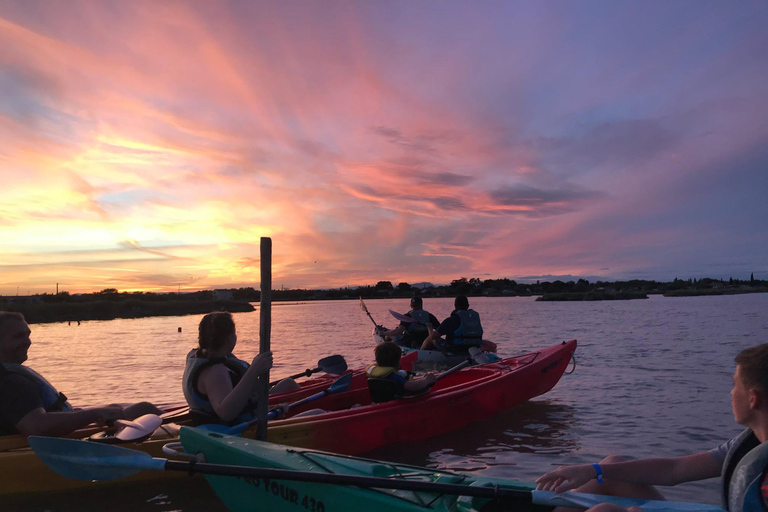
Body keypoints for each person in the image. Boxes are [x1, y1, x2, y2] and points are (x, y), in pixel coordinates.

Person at [535, 343, 768, 512]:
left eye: (735, 385)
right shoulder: (747, 444)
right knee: (609, 469)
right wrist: (590, 469)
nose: (730, 392)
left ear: (752, 399)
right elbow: (674, 470)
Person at [0, 311, 161, 437]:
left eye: (28, 335)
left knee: (143, 409)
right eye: (18, 336)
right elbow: (36, 426)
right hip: (47, 447)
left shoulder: (12, 376)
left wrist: (91, 412)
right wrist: (95, 413)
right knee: (146, 410)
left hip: (56, 436)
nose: (28, 342)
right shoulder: (10, 381)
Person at [183, 311, 299, 425]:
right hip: (241, 429)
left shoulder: (197, 356)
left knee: (288, 384)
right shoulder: (215, 371)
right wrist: (254, 370)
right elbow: (226, 413)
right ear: (230, 338)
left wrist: (269, 408)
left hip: (249, 412)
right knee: (317, 411)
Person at [420, 295, 497, 352]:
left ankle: (420, 354)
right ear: (468, 306)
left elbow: (433, 336)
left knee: (430, 338)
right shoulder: (475, 317)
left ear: (455, 306)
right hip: (473, 348)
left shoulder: (452, 320)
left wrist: (429, 327)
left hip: (454, 350)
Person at [367, 342, 437, 403]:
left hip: (381, 403)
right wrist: (426, 380)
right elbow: (412, 386)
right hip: (397, 405)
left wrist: (421, 380)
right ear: (397, 363)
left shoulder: (376, 375)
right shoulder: (394, 377)